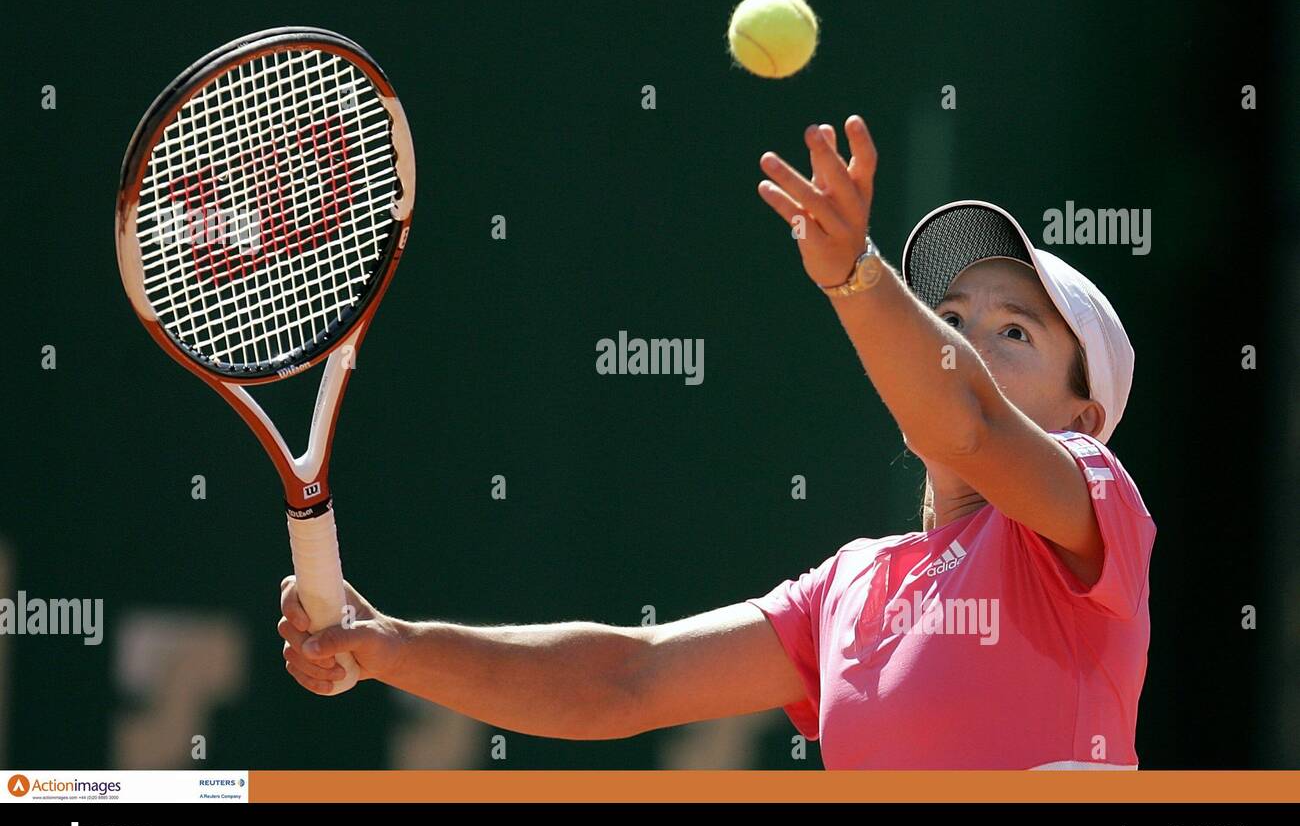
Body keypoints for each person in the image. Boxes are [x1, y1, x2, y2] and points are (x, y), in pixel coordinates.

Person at [278, 117, 1155, 769]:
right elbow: (626, 679)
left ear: (1084, 420)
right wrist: (393, 643)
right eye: (951, 320)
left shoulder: (1090, 500)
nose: (961, 342)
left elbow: (968, 422)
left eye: (1016, 334)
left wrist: (856, 276)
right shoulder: (854, 587)